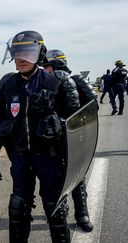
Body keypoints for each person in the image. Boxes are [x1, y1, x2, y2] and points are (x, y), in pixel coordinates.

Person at [0, 30, 80, 242]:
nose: (21, 59)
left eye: (28, 53)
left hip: (49, 156)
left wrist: (73, 160)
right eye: (17, 53)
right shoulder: (7, 84)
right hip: (20, 156)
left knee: (54, 206)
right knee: (17, 205)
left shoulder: (56, 82)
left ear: (40, 54)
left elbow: (76, 124)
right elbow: (0, 121)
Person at [43, 49, 97, 232]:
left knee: (76, 176)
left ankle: (82, 213)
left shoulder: (77, 80)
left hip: (74, 138)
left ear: (55, 64)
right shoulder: (44, 83)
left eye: (47, 66)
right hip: (51, 141)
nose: (45, 69)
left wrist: (75, 119)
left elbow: (93, 107)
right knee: (53, 179)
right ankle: (57, 210)